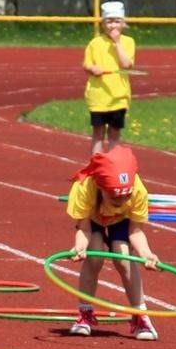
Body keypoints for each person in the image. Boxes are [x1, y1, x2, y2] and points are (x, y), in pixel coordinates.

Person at [64, 144, 159, 339]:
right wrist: (79, 247)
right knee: (94, 256)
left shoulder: (138, 190)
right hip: (93, 218)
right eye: (115, 199)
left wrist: (146, 254)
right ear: (100, 187)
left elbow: (136, 232)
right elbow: (84, 229)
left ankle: (141, 317)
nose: (122, 201)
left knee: (123, 257)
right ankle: (85, 314)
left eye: (126, 197)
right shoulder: (84, 187)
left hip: (121, 221)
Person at [83, 0, 136, 154]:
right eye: (109, 21)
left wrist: (117, 43)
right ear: (103, 23)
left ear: (123, 23)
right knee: (98, 134)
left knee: (114, 134)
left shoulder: (128, 42)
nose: (113, 26)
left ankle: (113, 167)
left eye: (117, 21)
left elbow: (126, 65)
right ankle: (97, 168)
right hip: (99, 97)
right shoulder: (95, 43)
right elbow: (86, 64)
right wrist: (93, 68)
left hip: (119, 97)